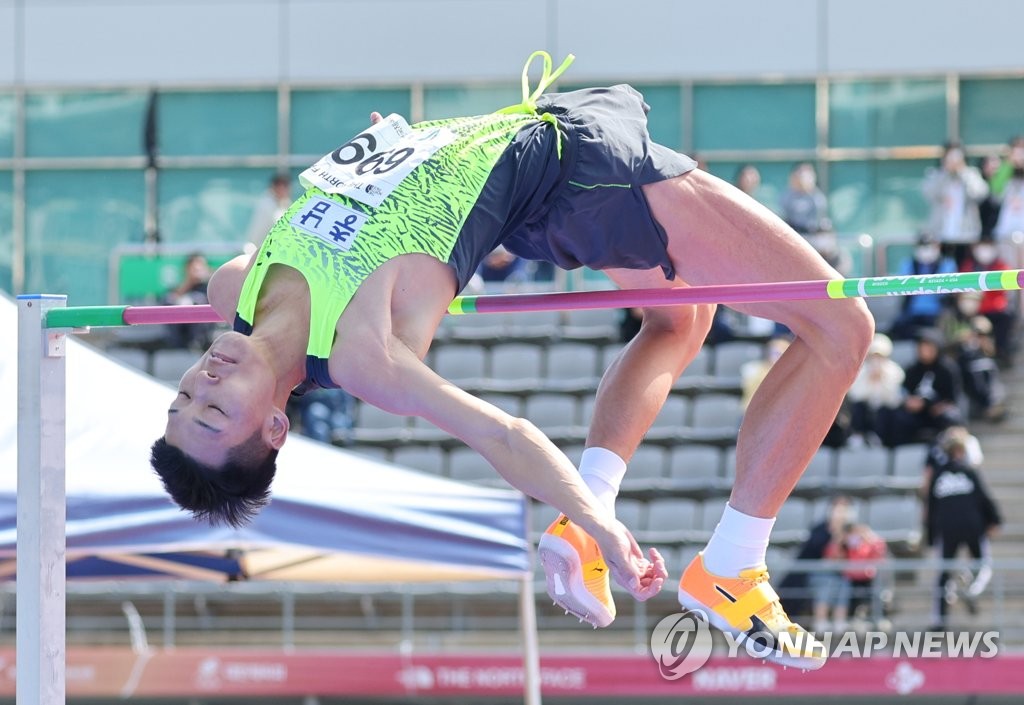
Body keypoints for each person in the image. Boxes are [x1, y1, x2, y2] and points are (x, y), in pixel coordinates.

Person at [150, 52, 873, 669]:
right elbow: (502, 435)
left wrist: (389, 156)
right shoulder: (360, 355)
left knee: (680, 316)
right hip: (581, 173)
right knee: (842, 327)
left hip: (538, 185)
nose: (201, 383)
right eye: (214, 411)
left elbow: (352, 198)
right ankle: (732, 561)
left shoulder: (235, 286)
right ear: (275, 425)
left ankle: (597, 510)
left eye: (182, 399)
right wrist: (604, 530)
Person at [923, 430, 1001, 629]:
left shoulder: (938, 476)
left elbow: (930, 507)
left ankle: (939, 618)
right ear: (960, 451)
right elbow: (983, 498)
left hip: (946, 528)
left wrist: (931, 536)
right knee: (983, 564)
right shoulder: (969, 472)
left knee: (943, 572)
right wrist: (995, 520)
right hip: (972, 526)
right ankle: (971, 589)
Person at [891, 329, 964, 446]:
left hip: (938, 411)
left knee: (950, 417)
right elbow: (904, 392)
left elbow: (953, 396)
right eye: (921, 347)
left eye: (928, 347)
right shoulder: (912, 369)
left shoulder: (948, 369)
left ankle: (948, 449)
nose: (924, 351)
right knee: (899, 418)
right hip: (917, 414)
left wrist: (939, 405)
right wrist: (909, 402)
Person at [921, 141, 989, 262]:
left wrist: (963, 172)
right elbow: (928, 193)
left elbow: (980, 193)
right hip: (941, 234)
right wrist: (945, 172)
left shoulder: (971, 174)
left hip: (966, 236)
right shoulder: (937, 174)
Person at [888, 233, 958, 341]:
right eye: (922, 246)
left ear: (938, 247)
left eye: (929, 246)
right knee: (896, 331)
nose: (926, 250)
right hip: (912, 313)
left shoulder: (947, 264)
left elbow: (947, 291)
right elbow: (902, 288)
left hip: (937, 313)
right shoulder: (908, 264)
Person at [846, 333, 905, 447]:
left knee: (885, 412)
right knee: (858, 408)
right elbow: (854, 395)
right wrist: (869, 381)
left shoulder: (896, 372)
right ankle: (858, 435)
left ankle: (878, 437)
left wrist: (882, 380)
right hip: (865, 410)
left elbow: (894, 400)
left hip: (884, 413)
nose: (876, 360)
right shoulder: (861, 371)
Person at [161, 252, 216, 350]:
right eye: (193, 267)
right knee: (169, 301)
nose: (197, 269)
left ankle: (195, 345)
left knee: (197, 300)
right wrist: (190, 281)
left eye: (200, 266)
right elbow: (173, 298)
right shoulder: (182, 286)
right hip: (181, 327)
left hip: (203, 330)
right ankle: (176, 347)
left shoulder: (211, 284)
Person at [243, 172, 292, 251]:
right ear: (274, 187)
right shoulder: (266, 202)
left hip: (270, 250)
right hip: (256, 250)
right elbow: (281, 225)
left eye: (286, 187)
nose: (285, 190)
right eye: (282, 187)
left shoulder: (284, 202)